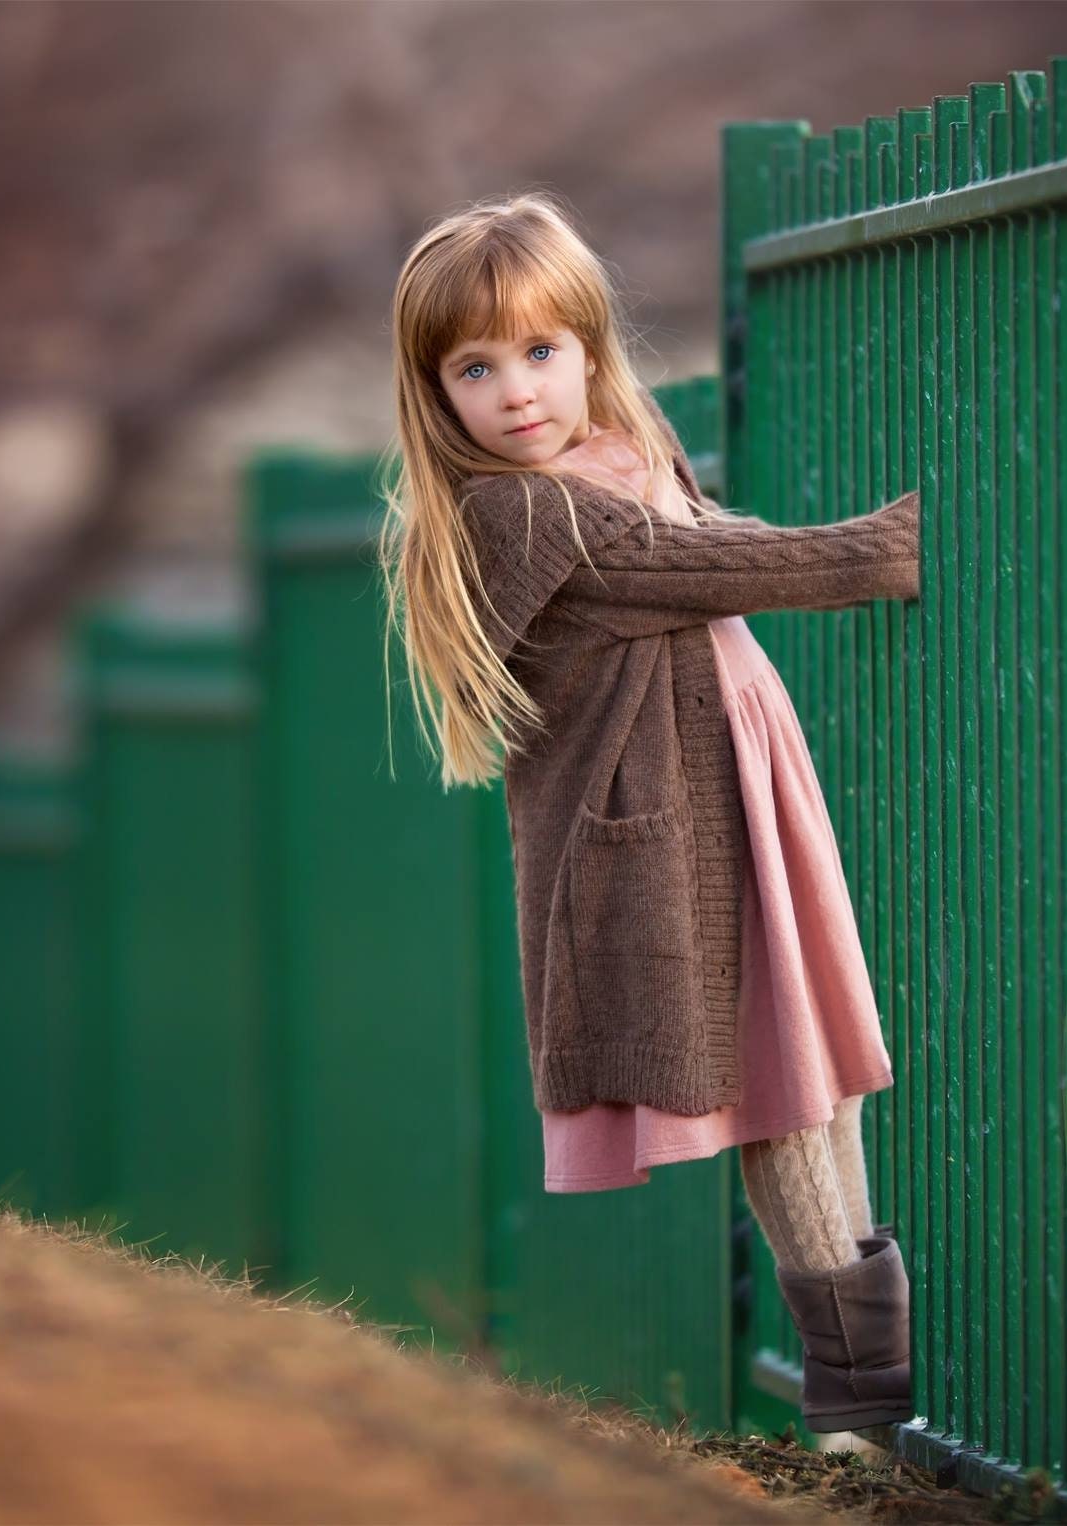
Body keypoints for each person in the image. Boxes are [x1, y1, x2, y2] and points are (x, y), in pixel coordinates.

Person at [376, 190, 921, 1436]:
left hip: (726, 796)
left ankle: (867, 1390)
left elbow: (694, 538)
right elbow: (727, 564)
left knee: (817, 1076)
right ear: (435, 391)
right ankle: (861, 1401)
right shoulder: (524, 510)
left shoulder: (605, 459)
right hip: (666, 840)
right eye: (475, 365)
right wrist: (902, 540)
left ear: (584, 347)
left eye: (540, 350)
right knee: (780, 1083)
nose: (515, 389)